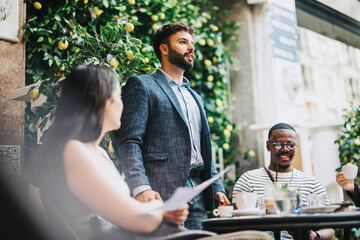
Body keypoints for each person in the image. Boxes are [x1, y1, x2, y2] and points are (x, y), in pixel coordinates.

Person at [30, 65, 215, 240]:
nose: (122, 104)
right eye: (119, 96)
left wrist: (159, 210)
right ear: (103, 101)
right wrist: (159, 206)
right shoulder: (75, 151)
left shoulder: (97, 152)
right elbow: (142, 221)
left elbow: (124, 210)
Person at [117, 22, 230, 230]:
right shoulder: (142, 85)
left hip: (198, 192)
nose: (191, 48)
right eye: (183, 42)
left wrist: (216, 186)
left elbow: (203, 150)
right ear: (164, 49)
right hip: (159, 192)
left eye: (192, 43)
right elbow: (129, 140)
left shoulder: (196, 97)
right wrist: (140, 187)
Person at [232, 123, 334, 240]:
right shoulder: (248, 180)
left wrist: (315, 236)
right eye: (279, 144)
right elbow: (235, 224)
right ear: (268, 146)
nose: (285, 149)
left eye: (291, 144)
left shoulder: (311, 184)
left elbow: (329, 227)